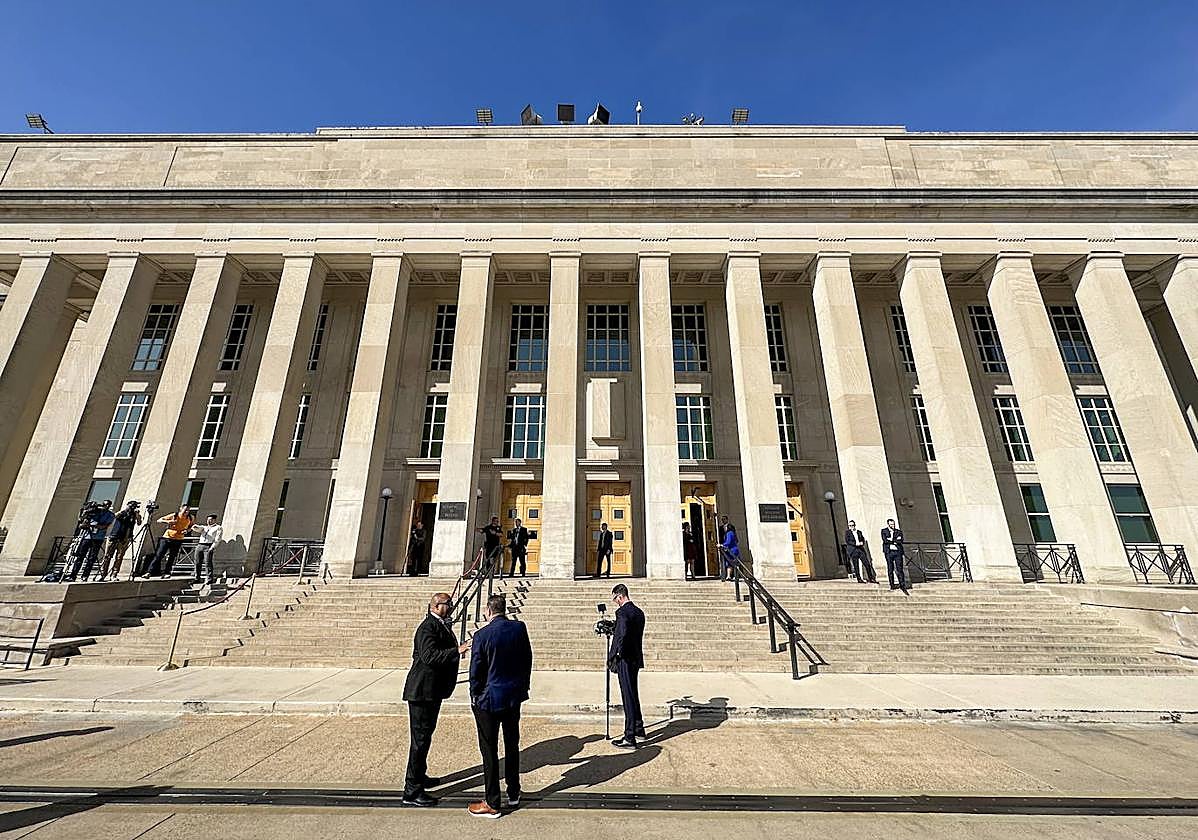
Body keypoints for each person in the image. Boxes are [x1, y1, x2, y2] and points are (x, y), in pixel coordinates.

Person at [402, 592, 471, 808]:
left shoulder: (440, 625)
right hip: (422, 692)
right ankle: (412, 790)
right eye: (448, 603)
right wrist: (457, 650)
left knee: (425, 737)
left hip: (432, 691)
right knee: (420, 740)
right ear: (436, 606)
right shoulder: (427, 627)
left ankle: (419, 776)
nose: (451, 606)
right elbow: (429, 656)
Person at [468, 593, 533, 818]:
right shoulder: (519, 628)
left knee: (489, 750)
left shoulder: (482, 635)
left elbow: (476, 670)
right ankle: (514, 792)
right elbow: (527, 658)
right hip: (513, 696)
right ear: (504, 609)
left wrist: (475, 694)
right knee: (512, 745)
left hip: (489, 699)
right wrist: (523, 686)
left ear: (488, 610)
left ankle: (492, 801)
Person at [608, 583, 646, 749]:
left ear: (620, 596)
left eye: (615, 599)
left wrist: (614, 655)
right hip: (636, 658)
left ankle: (629, 737)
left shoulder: (622, 613)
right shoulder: (639, 612)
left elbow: (622, 636)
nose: (615, 602)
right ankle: (639, 729)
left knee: (627, 696)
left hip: (625, 658)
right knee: (633, 693)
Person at [71, 501, 115, 581]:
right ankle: (73, 575)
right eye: (103, 505)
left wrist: (92, 525)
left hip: (98, 538)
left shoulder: (110, 515)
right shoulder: (94, 512)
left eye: (107, 505)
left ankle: (85, 576)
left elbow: (104, 526)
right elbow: (81, 520)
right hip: (87, 537)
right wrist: (85, 513)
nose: (104, 506)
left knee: (91, 558)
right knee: (80, 556)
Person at [148, 505, 195, 578]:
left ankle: (167, 572)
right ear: (181, 509)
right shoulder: (175, 515)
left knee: (172, 557)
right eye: (185, 510)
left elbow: (192, 526)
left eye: (188, 510)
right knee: (159, 555)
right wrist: (169, 521)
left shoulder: (190, 517)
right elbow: (159, 520)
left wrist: (187, 531)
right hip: (167, 537)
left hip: (179, 539)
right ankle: (150, 571)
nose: (186, 512)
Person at [101, 500, 142, 580]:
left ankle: (114, 574)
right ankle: (103, 574)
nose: (133, 508)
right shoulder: (122, 513)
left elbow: (139, 523)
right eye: (132, 506)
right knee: (107, 556)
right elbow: (114, 516)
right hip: (114, 536)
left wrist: (137, 515)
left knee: (119, 557)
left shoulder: (134, 515)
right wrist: (125, 509)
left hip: (124, 538)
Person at [191, 514, 223, 584]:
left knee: (208, 563)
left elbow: (217, 539)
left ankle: (209, 578)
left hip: (208, 545)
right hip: (200, 545)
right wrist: (194, 526)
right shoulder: (204, 527)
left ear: (214, 520)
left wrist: (212, 547)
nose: (208, 521)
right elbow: (198, 528)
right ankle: (197, 578)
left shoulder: (218, 527)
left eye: (210, 520)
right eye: (208, 520)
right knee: (197, 562)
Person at [844, 520, 876, 584]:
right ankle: (859, 579)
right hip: (853, 550)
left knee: (867, 564)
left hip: (860, 549)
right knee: (856, 565)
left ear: (855, 525)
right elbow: (848, 541)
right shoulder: (847, 533)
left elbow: (863, 539)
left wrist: (862, 543)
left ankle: (871, 578)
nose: (851, 527)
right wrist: (855, 544)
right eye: (850, 526)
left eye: (852, 525)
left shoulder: (859, 532)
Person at [881, 518, 908, 591]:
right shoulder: (884, 531)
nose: (893, 526)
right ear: (888, 524)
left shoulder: (898, 532)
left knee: (900, 568)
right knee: (890, 568)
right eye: (891, 524)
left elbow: (901, 540)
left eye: (893, 524)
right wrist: (895, 541)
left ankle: (902, 584)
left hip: (897, 552)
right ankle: (892, 584)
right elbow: (885, 540)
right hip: (889, 552)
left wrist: (891, 540)